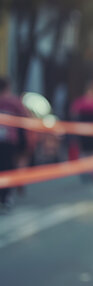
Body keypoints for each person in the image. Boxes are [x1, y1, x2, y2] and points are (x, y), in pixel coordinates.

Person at [0, 77, 31, 211]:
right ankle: (5, 197)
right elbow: (25, 117)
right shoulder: (14, 101)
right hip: (9, 139)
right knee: (7, 168)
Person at [70, 82, 93, 183]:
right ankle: (86, 172)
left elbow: (74, 113)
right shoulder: (82, 102)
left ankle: (92, 172)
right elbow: (74, 113)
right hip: (85, 132)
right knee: (85, 153)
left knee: (92, 153)